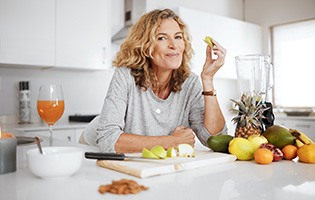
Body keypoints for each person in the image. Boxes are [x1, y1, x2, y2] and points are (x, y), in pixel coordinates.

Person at [80, 8, 227, 153]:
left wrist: (208, 80)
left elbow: (215, 139)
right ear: (145, 47)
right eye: (162, 38)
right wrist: (171, 141)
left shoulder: (190, 82)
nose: (173, 45)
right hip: (93, 146)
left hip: (141, 155)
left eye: (178, 37)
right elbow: (107, 140)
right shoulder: (125, 75)